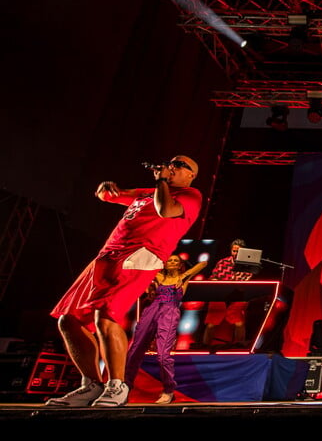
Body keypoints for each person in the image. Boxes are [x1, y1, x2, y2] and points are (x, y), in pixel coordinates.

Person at [45, 156, 203, 407]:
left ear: (191, 175)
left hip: (139, 255)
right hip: (107, 256)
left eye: (180, 165)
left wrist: (162, 180)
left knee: (105, 317)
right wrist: (105, 188)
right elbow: (109, 195)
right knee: (69, 320)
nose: (173, 166)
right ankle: (91, 385)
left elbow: (165, 210)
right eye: (171, 162)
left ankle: (117, 385)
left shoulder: (191, 195)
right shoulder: (147, 192)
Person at [125, 254, 207, 404]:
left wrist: (184, 275)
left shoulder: (183, 278)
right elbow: (137, 267)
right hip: (151, 310)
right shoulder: (157, 276)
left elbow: (204, 263)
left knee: (163, 356)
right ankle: (125, 387)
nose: (173, 262)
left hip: (169, 313)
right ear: (165, 263)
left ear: (180, 264)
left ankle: (168, 390)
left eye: (176, 260)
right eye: (170, 260)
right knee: (134, 350)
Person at [202, 238, 256, 347]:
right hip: (220, 293)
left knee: (239, 321)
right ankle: (205, 346)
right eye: (234, 251)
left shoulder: (248, 264)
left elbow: (246, 281)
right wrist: (216, 282)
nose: (236, 253)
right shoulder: (222, 262)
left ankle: (239, 345)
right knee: (211, 321)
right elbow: (213, 277)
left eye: (239, 251)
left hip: (238, 294)